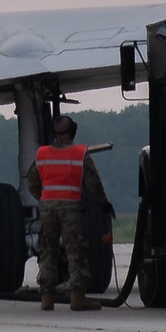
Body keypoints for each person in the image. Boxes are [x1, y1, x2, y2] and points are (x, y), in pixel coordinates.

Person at [27, 115, 113, 312]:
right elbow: (93, 183)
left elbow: (32, 181)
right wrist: (103, 204)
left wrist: (46, 198)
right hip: (71, 209)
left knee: (48, 250)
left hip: (47, 208)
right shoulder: (79, 153)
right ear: (73, 132)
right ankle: (77, 296)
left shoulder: (42, 154)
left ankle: (47, 298)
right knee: (75, 252)